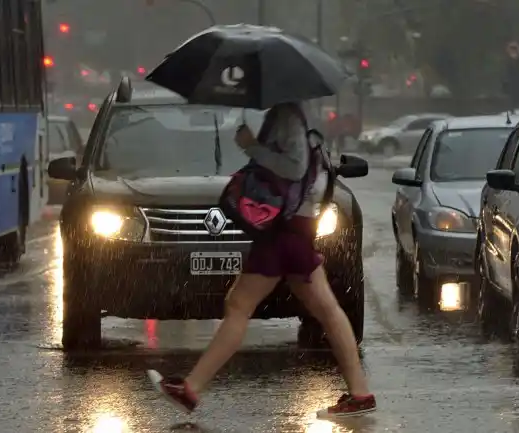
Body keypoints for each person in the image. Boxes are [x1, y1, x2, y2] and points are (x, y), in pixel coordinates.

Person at [147, 102, 377, 419]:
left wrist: (251, 147)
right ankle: (360, 394)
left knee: (240, 305)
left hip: (284, 231)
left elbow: (295, 167)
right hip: (296, 229)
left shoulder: (288, 116)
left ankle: (191, 389)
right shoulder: (298, 115)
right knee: (327, 311)